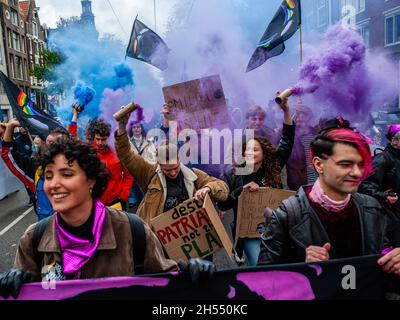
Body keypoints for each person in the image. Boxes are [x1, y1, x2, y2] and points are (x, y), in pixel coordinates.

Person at [0, 137, 215, 299]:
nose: (54, 184)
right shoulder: (34, 238)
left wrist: (190, 272)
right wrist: (13, 285)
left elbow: (166, 285)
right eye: (48, 176)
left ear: (91, 180)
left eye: (66, 174)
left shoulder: (132, 231)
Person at [257, 117, 400, 275]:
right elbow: (263, 281)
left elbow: (382, 265)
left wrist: (393, 265)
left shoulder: (371, 208)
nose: (357, 173)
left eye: (360, 165)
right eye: (345, 164)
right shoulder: (288, 215)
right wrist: (301, 267)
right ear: (319, 164)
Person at [114, 110, 229, 225]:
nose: (173, 173)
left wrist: (208, 188)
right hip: (157, 238)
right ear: (159, 164)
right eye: (167, 170)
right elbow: (126, 155)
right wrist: (122, 126)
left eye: (175, 168)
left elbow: (223, 190)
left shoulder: (193, 175)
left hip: (187, 235)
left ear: (179, 160)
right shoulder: (149, 173)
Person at [217, 95, 295, 266]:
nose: (251, 153)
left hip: (276, 227)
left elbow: (287, 140)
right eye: (248, 150)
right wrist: (241, 190)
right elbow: (224, 205)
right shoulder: (234, 173)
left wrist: (286, 110)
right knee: (260, 264)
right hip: (249, 231)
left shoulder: (273, 166)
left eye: (255, 149)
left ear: (264, 153)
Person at [1, 120, 71, 220]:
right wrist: (10, 126)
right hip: (47, 233)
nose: (53, 148)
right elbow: (8, 155)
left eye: (57, 144)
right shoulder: (36, 170)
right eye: (49, 143)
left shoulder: (79, 168)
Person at [359, 124, 400, 219]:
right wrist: (384, 196)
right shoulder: (382, 159)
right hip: (388, 217)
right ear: (394, 141)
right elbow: (365, 185)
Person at [92, 119, 133, 210]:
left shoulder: (118, 151)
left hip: (117, 200)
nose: (100, 143)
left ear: (109, 138)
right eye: (97, 139)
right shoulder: (90, 151)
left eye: (103, 140)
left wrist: (123, 196)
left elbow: (128, 175)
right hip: (97, 201)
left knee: (119, 224)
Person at [285, 100, 318, 191]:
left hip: (317, 180)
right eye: (297, 116)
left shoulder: (316, 134)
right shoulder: (291, 136)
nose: (299, 119)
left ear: (308, 117)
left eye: (303, 115)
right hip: (298, 183)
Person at [127, 121, 156, 209]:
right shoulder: (128, 142)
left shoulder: (149, 141)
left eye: (138, 127)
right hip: (134, 171)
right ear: (131, 129)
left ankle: (148, 209)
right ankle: (140, 211)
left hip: (146, 170)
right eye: (134, 127)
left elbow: (154, 155)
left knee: (147, 193)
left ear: (141, 128)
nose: (136, 129)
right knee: (137, 194)